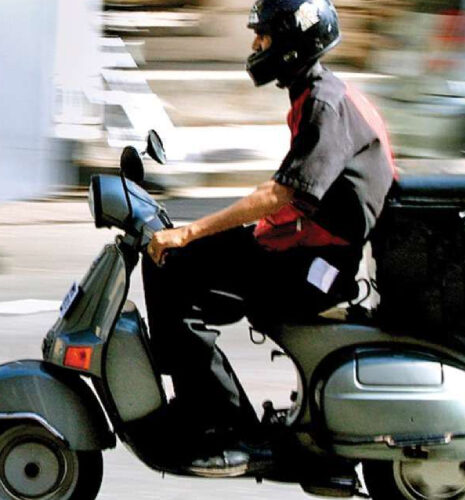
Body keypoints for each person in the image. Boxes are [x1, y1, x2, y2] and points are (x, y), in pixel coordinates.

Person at [141, 0, 396, 474]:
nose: (256, 46)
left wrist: (190, 232)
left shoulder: (324, 103)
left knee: (175, 272)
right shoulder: (317, 93)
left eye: (264, 37)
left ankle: (225, 425)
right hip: (307, 251)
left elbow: (280, 193)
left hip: (319, 268)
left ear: (293, 44)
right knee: (178, 263)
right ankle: (202, 401)